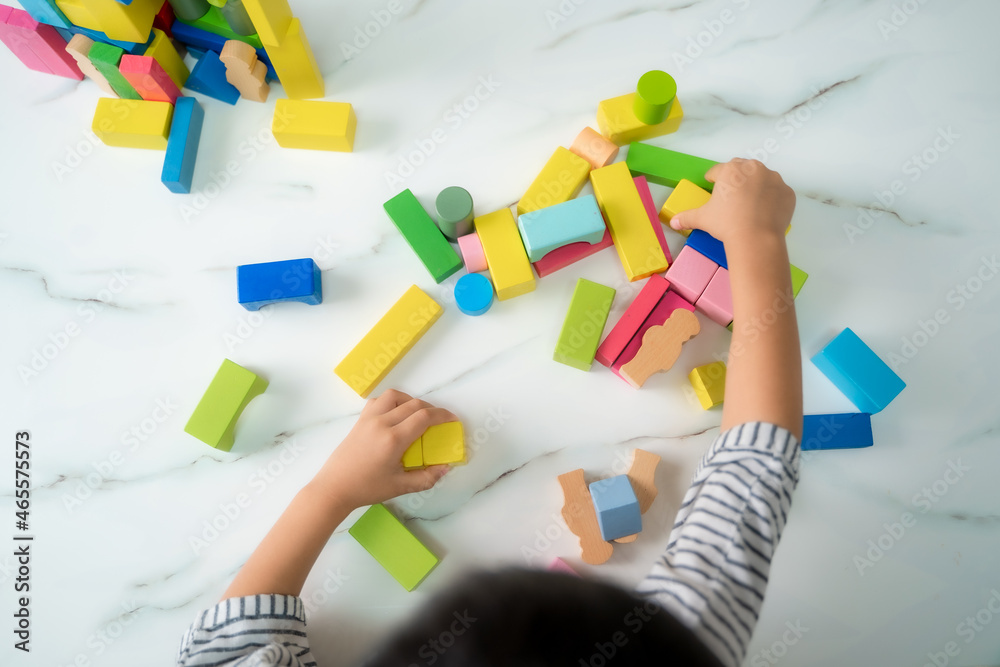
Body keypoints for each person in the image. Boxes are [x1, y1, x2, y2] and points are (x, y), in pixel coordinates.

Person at [175, 158, 801, 667]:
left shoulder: (684, 648)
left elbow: (222, 649)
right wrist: (758, 237)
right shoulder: (679, 652)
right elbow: (752, 473)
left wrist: (330, 491)